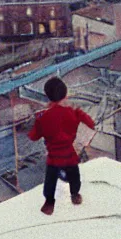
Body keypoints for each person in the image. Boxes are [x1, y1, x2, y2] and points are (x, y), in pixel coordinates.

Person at [28, 77, 95, 215]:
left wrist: (37, 119)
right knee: (74, 175)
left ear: (48, 96)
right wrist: (79, 113)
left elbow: (33, 136)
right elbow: (91, 123)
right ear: (65, 94)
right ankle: (75, 195)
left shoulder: (42, 117)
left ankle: (49, 203)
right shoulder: (73, 112)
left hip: (53, 156)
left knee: (50, 178)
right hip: (69, 153)